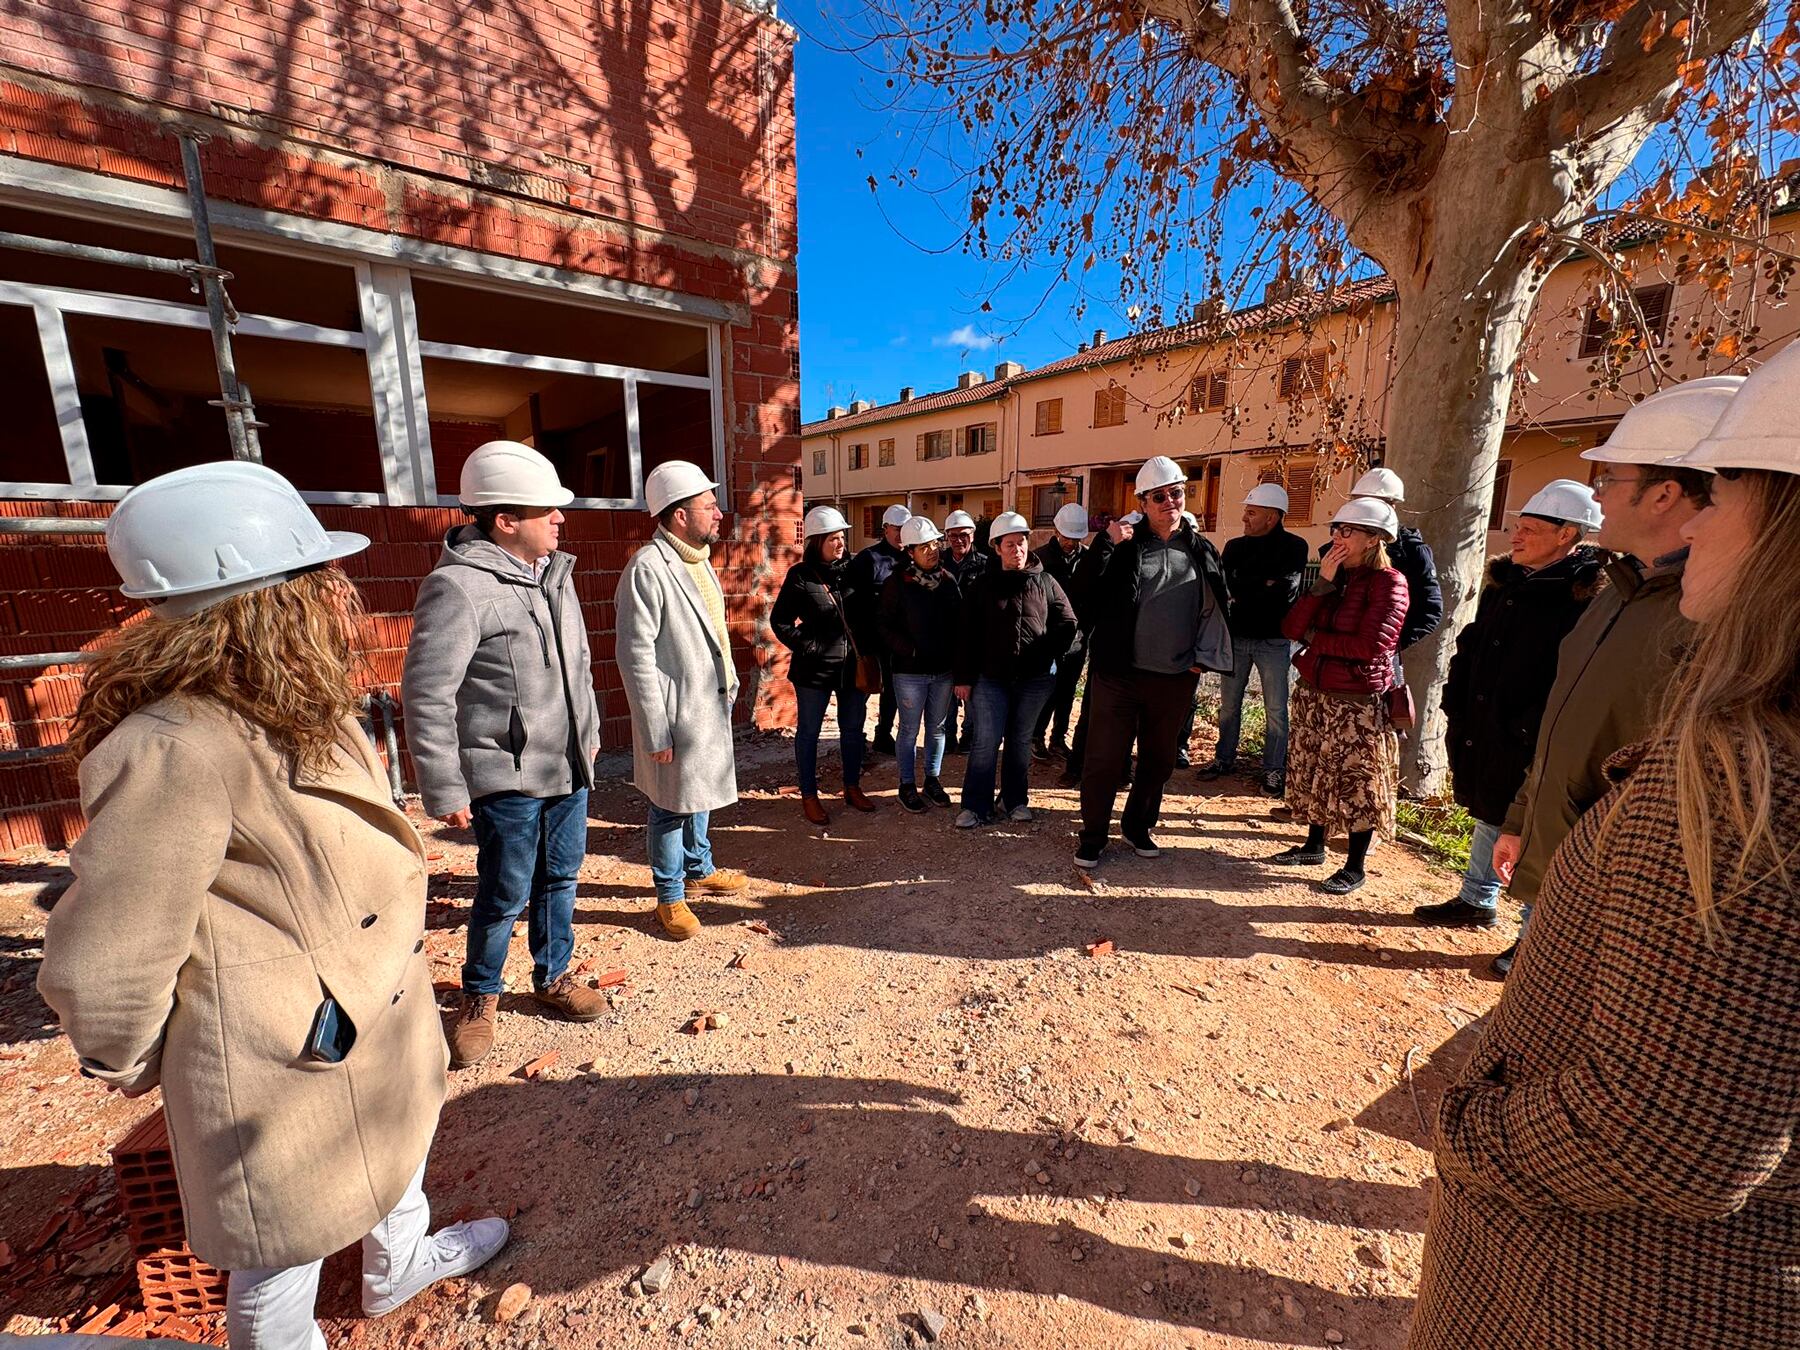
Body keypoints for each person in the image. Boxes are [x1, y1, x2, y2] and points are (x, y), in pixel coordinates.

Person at [39, 463, 508, 1350]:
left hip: (370, 1007)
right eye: (316, 579)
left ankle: (396, 1265)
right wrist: (155, 1060)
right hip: (285, 1052)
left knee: (400, 1145)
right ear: (267, 601)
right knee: (280, 1243)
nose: (340, 595)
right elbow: (110, 953)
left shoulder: (293, 698)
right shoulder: (175, 743)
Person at [1410, 344, 1800, 1350]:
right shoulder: (1619, 603)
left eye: (1730, 493)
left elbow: (1666, 1133)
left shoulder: (1743, 780)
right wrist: (1536, 833)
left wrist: (1466, 1129)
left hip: (1598, 1287)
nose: (1705, 515)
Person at [1487, 377, 1737, 973]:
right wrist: (1524, 819)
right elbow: (1568, 722)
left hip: (1623, 895)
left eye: (1610, 480)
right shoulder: (1614, 593)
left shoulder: (1714, 619)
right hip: (1564, 860)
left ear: (1664, 495)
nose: (1596, 497)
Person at [402, 440, 605, 1069]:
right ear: (504, 519)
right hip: (506, 776)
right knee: (503, 891)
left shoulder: (557, 576)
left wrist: (589, 739)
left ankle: (552, 976)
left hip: (566, 767)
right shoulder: (458, 588)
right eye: (547, 511)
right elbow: (427, 693)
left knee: (561, 877)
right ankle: (481, 994)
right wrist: (445, 786)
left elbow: (581, 669)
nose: (561, 519)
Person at [1414, 480, 1605, 929]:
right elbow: (1473, 644)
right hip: (1490, 726)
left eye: (1530, 529)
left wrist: (1527, 727)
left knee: (1539, 833)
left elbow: (1572, 676)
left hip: (1537, 735)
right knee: (1491, 810)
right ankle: (1477, 898)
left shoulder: (1585, 597)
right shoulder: (1507, 585)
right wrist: (1456, 699)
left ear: (1567, 535)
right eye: (1518, 526)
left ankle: (1533, 931)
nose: (1516, 536)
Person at [1072, 458, 1232, 868]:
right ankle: (1093, 835)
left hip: (1175, 677)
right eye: (1158, 496)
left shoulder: (1200, 548)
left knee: (1159, 760)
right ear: (1142, 502)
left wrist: (1202, 657)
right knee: (1105, 759)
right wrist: (1105, 543)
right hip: (1119, 676)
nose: (1169, 502)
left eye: (1175, 493)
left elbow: (1218, 605)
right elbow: (1084, 591)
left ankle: (1138, 826)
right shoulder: (1124, 546)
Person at [615, 460, 751, 941]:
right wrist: (655, 730)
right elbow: (634, 657)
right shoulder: (648, 569)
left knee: (699, 795)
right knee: (671, 806)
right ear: (678, 516)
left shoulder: (697, 560)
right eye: (709, 506)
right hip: (675, 716)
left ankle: (699, 866)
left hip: (705, 705)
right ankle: (669, 897)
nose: (719, 514)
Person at [1269, 498, 1409, 894]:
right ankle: (1313, 846)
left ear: (1373, 539)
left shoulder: (1389, 582)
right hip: (1316, 691)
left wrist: (1316, 639)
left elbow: (1371, 647)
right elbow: (1291, 627)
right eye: (1336, 528)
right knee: (1315, 771)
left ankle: (1355, 864)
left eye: (1348, 530)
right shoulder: (1333, 579)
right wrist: (1320, 586)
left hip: (1356, 700)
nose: (1337, 537)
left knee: (1356, 782)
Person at [953, 511, 1078, 827]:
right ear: (996, 548)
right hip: (990, 679)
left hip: (1034, 680)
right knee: (986, 741)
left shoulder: (1045, 582)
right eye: (1009, 544)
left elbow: (1068, 623)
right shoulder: (981, 586)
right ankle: (975, 806)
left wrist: (1048, 654)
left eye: (1021, 543)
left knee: (1020, 742)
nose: (1017, 549)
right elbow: (965, 634)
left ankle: (1014, 800)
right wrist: (964, 678)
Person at [1197, 482, 1310, 795]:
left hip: (1273, 642)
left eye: (1251, 512)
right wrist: (1262, 585)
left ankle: (1274, 770)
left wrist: (1242, 589)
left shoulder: (1295, 547)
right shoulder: (1234, 547)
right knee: (1229, 707)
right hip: (1236, 639)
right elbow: (1223, 588)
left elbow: (1286, 591)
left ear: (1271, 517)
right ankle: (1224, 759)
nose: (1244, 518)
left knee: (1276, 709)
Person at [771, 504, 875, 826]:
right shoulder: (801, 577)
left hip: (850, 668)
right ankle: (809, 795)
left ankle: (852, 786)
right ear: (816, 541)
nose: (840, 543)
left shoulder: (854, 571)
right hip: (813, 671)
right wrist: (810, 645)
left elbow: (867, 616)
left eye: (842, 537)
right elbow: (781, 621)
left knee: (853, 730)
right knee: (809, 733)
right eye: (833, 538)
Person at [880, 515, 961, 812]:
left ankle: (932, 780)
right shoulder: (897, 584)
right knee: (909, 731)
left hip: (943, 671)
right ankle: (905, 784)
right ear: (910, 551)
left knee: (938, 729)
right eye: (923, 546)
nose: (932, 550)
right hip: (910, 673)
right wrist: (908, 650)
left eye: (935, 544)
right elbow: (884, 625)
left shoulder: (948, 581)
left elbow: (959, 624)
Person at [1325, 467, 1443, 652]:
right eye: (1359, 502)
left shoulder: (1412, 552)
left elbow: (1429, 611)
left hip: (1376, 664)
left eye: (1370, 503)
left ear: (1392, 507)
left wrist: (1387, 646)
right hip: (1330, 657)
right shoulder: (1336, 547)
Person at [847, 504, 911, 755]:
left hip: (899, 641)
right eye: (896, 529)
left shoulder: (912, 557)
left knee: (893, 691)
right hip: (871, 639)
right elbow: (852, 600)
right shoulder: (868, 559)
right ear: (885, 529)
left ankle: (883, 734)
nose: (900, 534)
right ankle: (856, 739)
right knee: (864, 688)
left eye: (904, 529)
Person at [1031, 502, 1091, 761]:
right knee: (1048, 690)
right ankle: (1036, 736)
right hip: (1048, 638)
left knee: (1067, 691)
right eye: (1067, 537)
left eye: (1076, 538)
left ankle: (1058, 738)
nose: (1071, 543)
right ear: (1056, 531)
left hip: (1077, 638)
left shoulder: (1088, 557)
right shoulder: (1040, 559)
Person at [938, 508, 987, 751]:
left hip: (975, 639)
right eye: (953, 535)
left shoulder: (987, 565)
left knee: (973, 693)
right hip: (945, 638)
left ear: (973, 535)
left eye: (963, 535)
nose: (958, 540)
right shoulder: (937, 563)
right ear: (946, 536)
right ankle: (947, 736)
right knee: (946, 692)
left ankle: (969, 734)